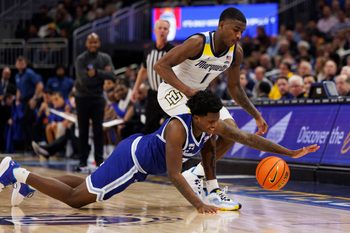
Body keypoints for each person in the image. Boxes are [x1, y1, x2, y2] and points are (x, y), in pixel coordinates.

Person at [0, 91, 319, 212]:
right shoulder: (179, 128)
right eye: (210, 122)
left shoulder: (206, 125)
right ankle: (16, 172)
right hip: (133, 159)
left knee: (87, 185)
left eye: (215, 122)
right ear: (196, 116)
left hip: (136, 160)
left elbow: (240, 141)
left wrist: (287, 151)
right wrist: (199, 204)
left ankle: (28, 181)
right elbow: (175, 174)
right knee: (77, 202)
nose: (213, 126)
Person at [154, 7, 268, 204]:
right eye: (235, 29)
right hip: (173, 91)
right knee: (211, 128)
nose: (239, 35)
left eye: (242, 31)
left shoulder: (236, 52)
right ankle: (212, 189)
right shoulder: (198, 42)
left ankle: (195, 174)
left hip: (199, 95)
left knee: (232, 132)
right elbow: (160, 66)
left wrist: (256, 115)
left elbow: (235, 88)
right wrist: (187, 90)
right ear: (221, 25)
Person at [75, 33, 115, 170]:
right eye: (90, 42)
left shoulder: (105, 58)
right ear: (86, 44)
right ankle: (82, 162)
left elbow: (112, 76)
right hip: (82, 98)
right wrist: (102, 74)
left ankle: (99, 161)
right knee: (83, 130)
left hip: (98, 98)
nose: (93, 45)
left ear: (99, 43)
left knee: (98, 130)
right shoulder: (81, 59)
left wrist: (96, 73)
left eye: (95, 42)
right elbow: (84, 80)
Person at [131, 19, 174, 134]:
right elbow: (143, 70)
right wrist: (135, 89)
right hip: (153, 94)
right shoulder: (148, 49)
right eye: (160, 28)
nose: (162, 31)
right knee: (149, 127)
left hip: (168, 94)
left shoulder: (173, 50)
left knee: (168, 126)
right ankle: (150, 151)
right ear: (155, 30)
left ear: (169, 31)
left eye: (165, 29)